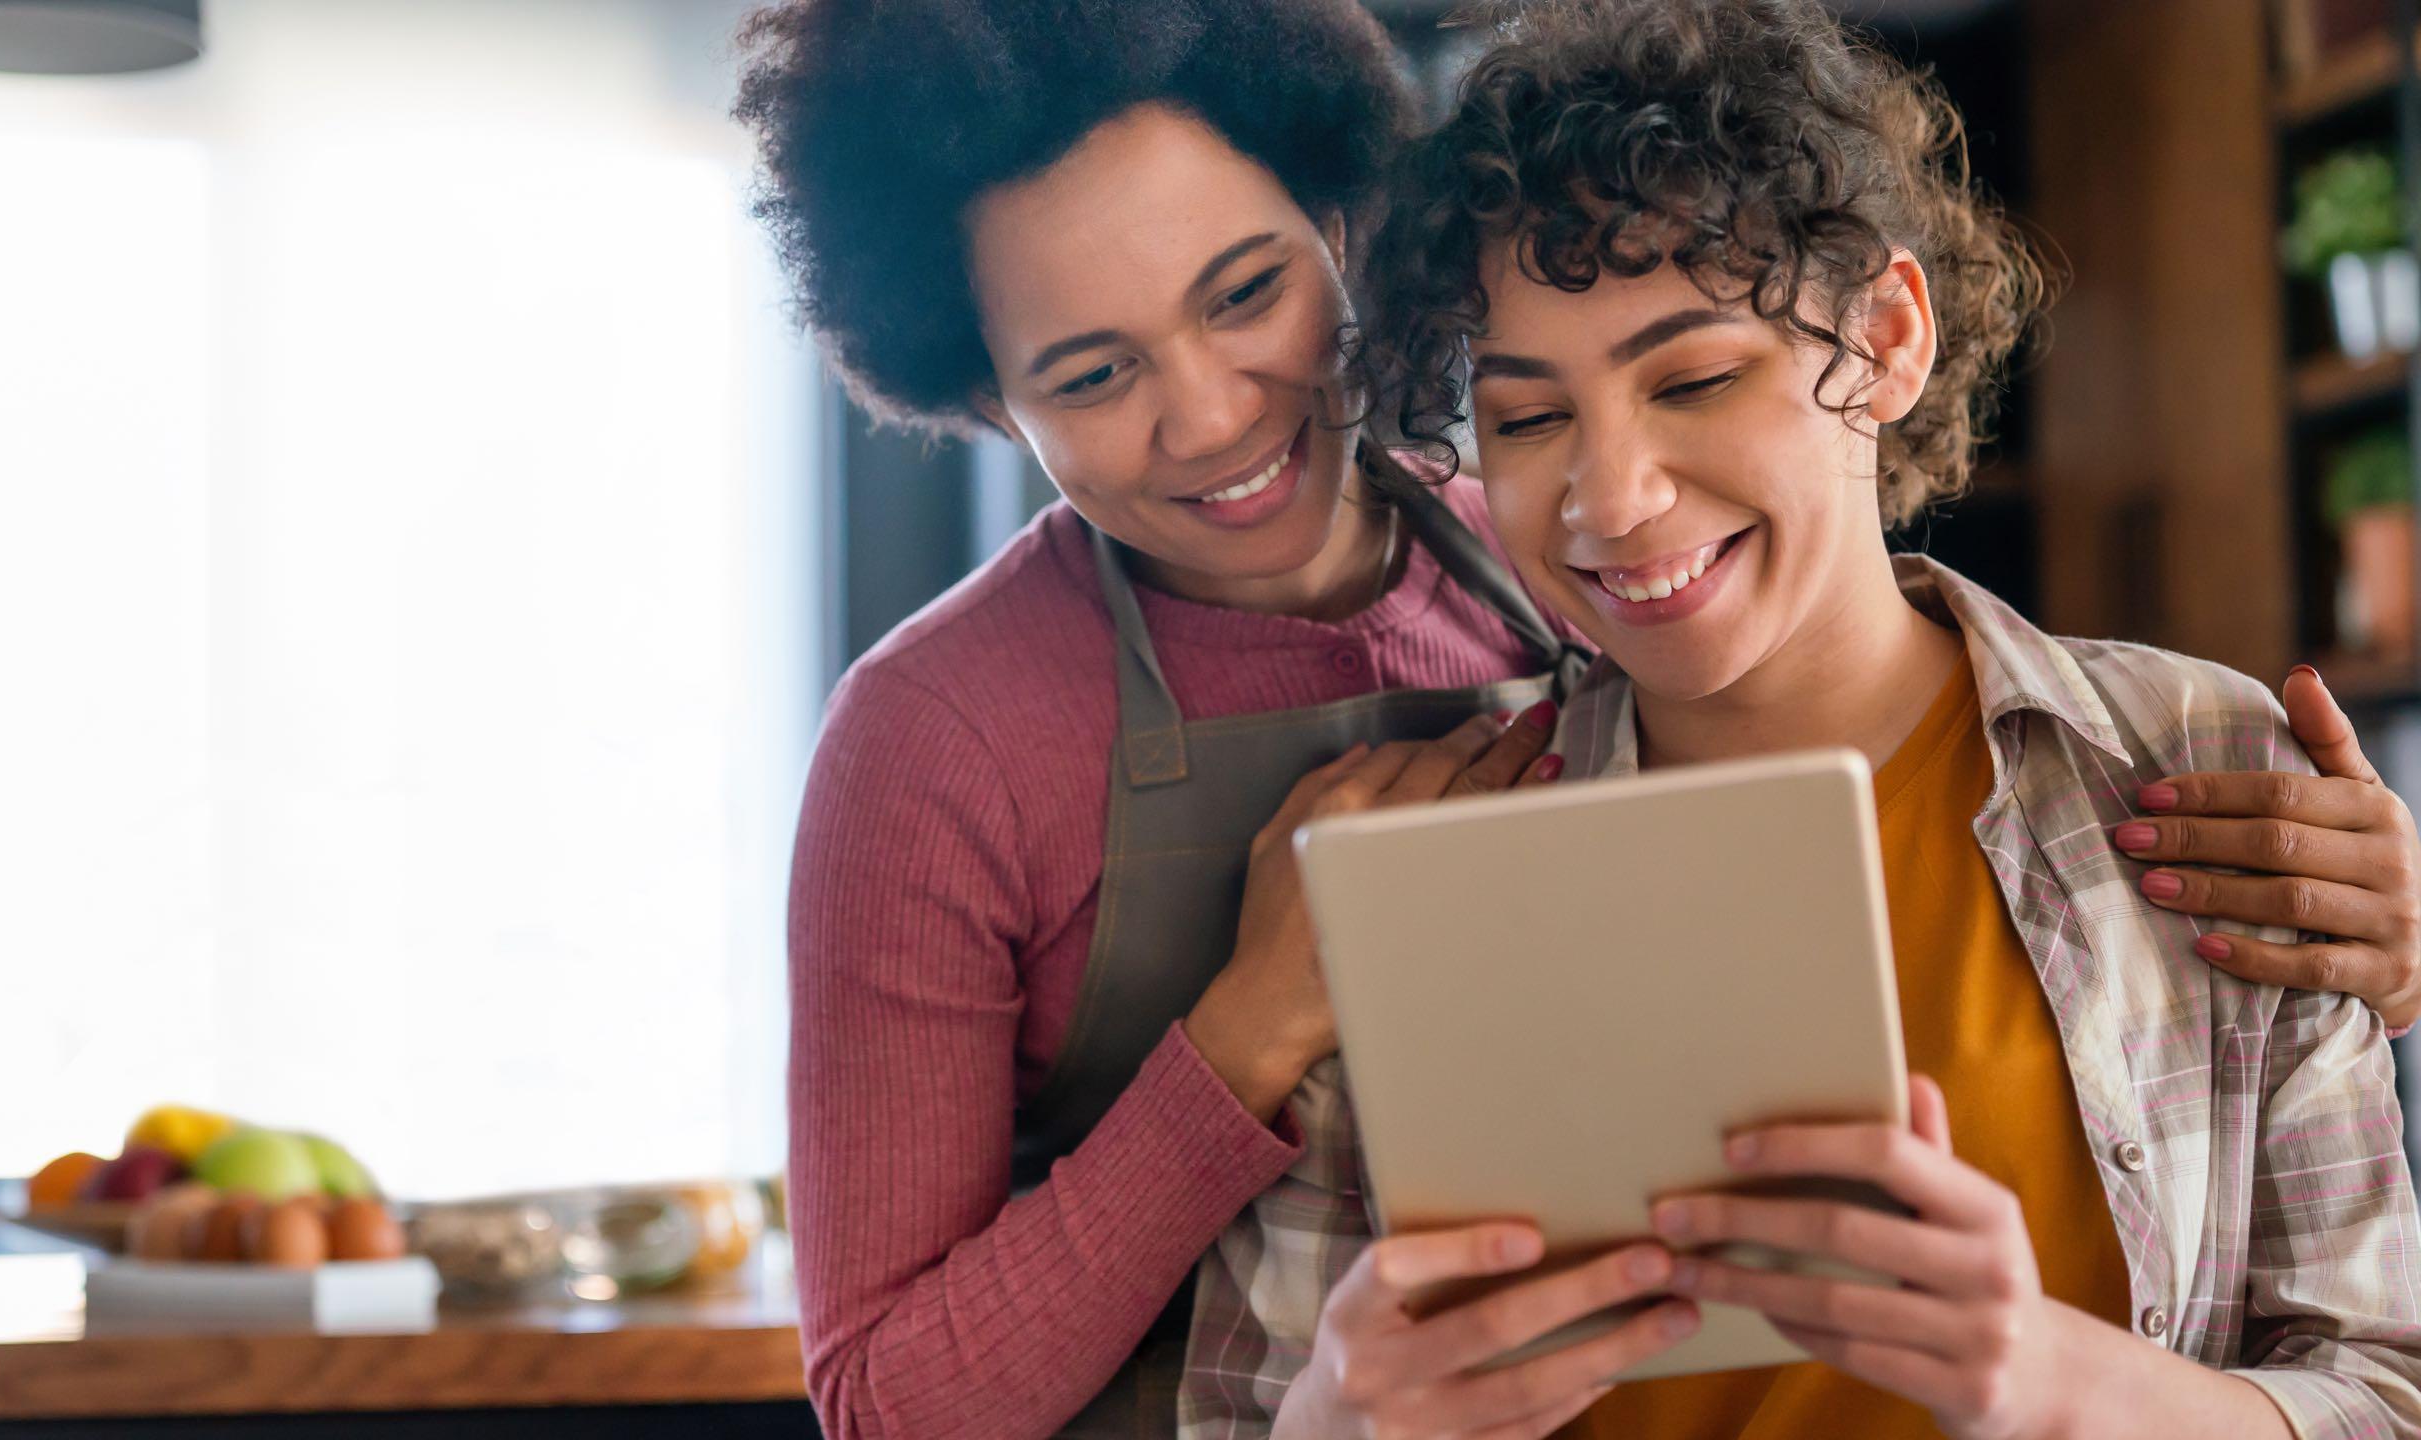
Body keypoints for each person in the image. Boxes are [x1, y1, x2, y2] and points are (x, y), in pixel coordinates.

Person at [734, 2, 2421, 1434]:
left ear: (1338, 234)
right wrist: (1252, 1036)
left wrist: (2385, 934)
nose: (1205, 413)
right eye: (1088, 375)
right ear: (981, 394)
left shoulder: (1570, 547)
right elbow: (902, 1399)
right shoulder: (943, 744)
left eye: (1246, 293)